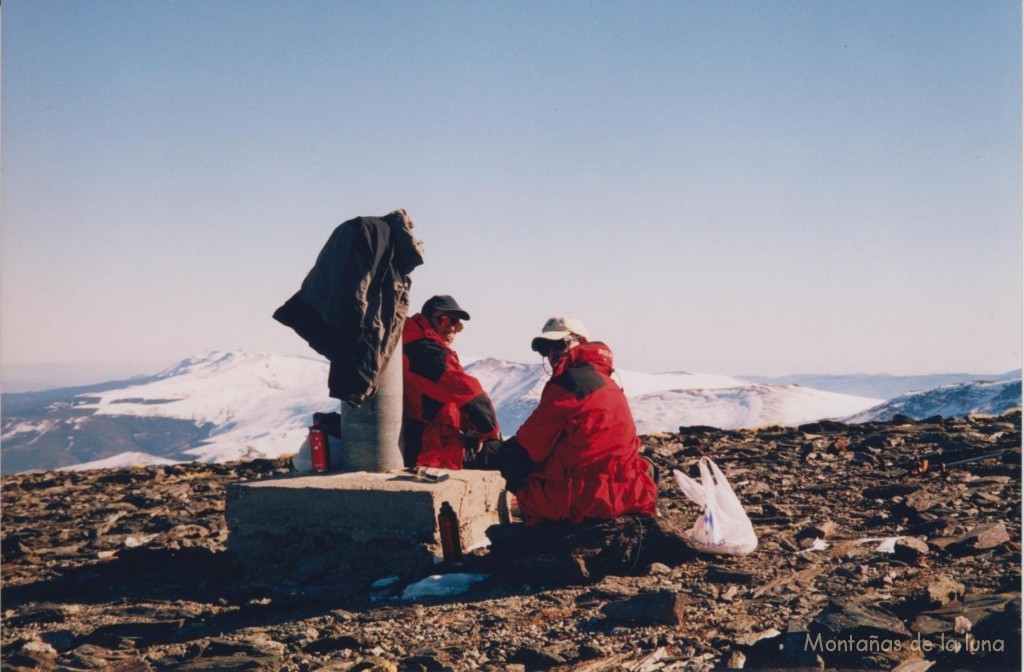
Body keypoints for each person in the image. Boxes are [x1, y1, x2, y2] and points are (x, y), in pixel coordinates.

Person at [500, 316, 658, 525]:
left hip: (586, 499)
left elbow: (531, 444)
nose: (552, 353)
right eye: (546, 348)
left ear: (581, 342)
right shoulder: (605, 380)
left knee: (512, 462)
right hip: (628, 493)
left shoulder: (569, 383)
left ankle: (536, 526)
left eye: (559, 344)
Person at [402, 295, 502, 470]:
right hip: (430, 449)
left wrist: (473, 428)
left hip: (434, 439)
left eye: (457, 325)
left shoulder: (417, 346)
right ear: (427, 319)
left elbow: (451, 400)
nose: (452, 329)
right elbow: (471, 395)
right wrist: (489, 432)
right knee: (504, 455)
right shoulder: (427, 353)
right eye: (445, 320)